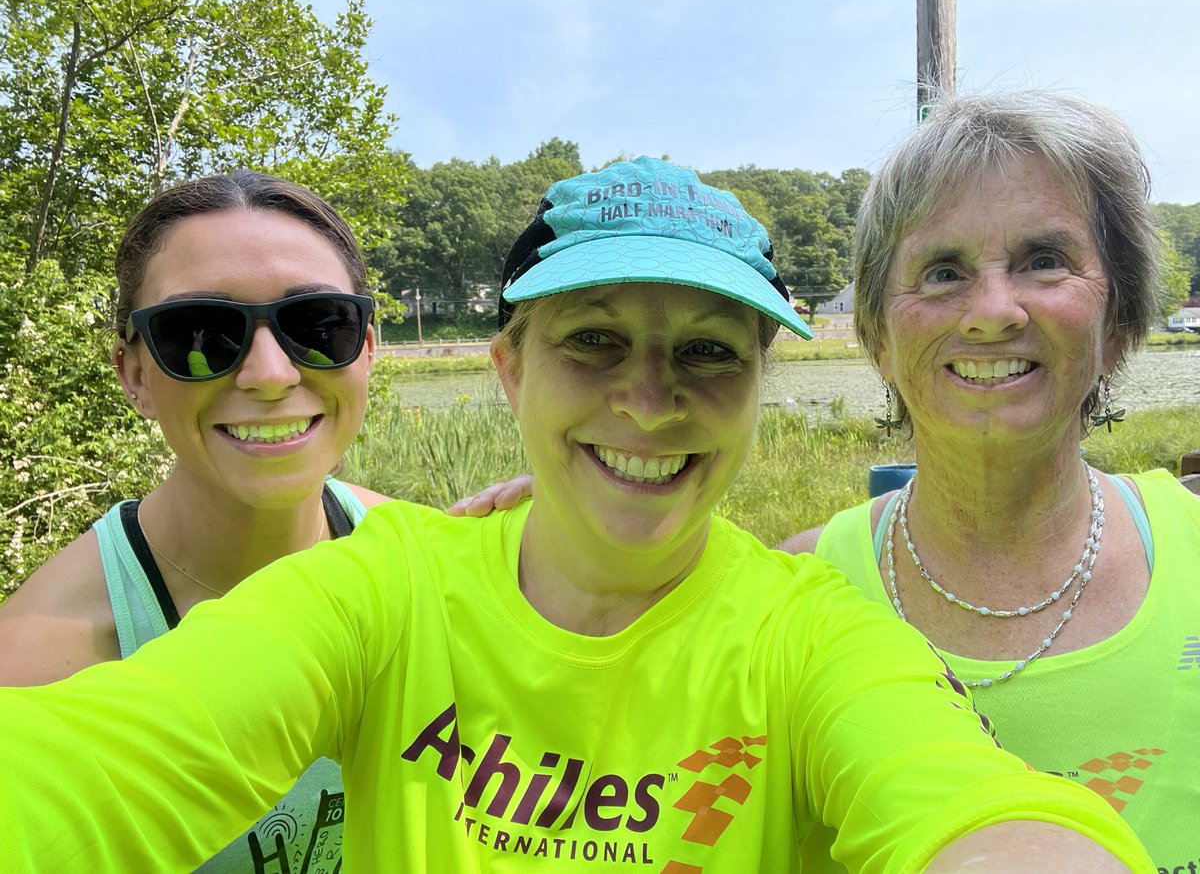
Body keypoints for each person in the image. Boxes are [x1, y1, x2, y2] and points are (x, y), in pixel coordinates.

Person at [0, 157, 1152, 872]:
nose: (648, 401)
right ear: (509, 368)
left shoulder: (814, 634)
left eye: (706, 353)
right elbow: (114, 757)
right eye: (592, 340)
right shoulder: (379, 584)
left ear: (759, 390)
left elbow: (961, 797)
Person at [773, 92, 1200, 870]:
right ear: (879, 341)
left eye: (1043, 260)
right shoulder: (793, 595)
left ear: (1118, 325)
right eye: (943, 271)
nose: (994, 312)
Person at [0, 170, 391, 873]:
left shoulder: (427, 561)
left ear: (366, 348)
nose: (270, 374)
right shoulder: (38, 665)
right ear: (134, 375)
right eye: (200, 334)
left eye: (318, 325)